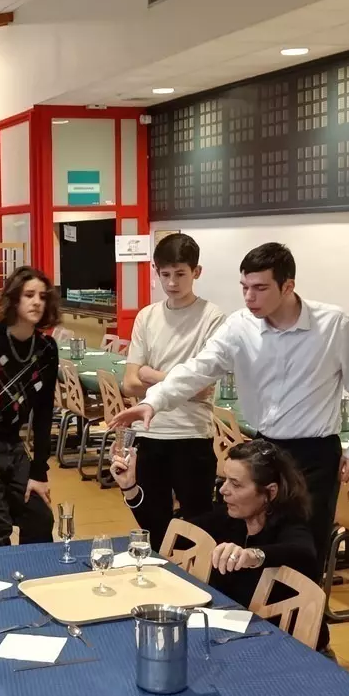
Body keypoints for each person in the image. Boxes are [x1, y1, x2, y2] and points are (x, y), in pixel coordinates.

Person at [110, 242, 349, 593]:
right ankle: (258, 612)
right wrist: (155, 401)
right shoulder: (240, 325)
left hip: (314, 453)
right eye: (244, 287)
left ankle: (307, 622)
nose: (249, 297)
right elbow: (199, 368)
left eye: (260, 288)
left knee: (305, 550)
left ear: (288, 286)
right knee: (252, 541)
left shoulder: (333, 324)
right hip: (264, 449)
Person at [110, 439, 318, 609]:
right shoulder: (227, 518)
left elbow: (303, 553)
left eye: (235, 484)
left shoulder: (291, 524)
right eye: (225, 480)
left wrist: (253, 555)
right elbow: (167, 537)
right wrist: (130, 489)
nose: (223, 490)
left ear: (270, 492)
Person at [121, 232, 228, 547]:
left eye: (180, 274)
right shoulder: (147, 316)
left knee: (197, 527)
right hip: (149, 432)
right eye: (165, 274)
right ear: (156, 272)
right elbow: (129, 383)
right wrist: (181, 382)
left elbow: (203, 388)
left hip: (192, 435)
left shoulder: (213, 317)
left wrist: (149, 373)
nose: (171, 282)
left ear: (196, 272)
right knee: (152, 523)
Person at [0, 266, 60, 547]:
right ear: (14, 299)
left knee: (40, 517)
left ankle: (36, 573)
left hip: (15, 447)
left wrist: (39, 472)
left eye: (42, 296)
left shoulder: (47, 348)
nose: (37, 302)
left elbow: (44, 412)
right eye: (29, 295)